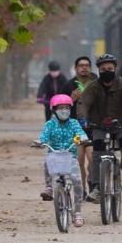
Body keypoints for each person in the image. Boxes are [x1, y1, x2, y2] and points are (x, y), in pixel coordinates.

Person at [78, 54, 122, 198]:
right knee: (97, 149)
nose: (107, 71)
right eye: (103, 69)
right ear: (99, 70)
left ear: (115, 69)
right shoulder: (93, 86)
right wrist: (83, 119)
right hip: (99, 124)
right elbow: (84, 103)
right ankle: (96, 186)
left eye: (110, 68)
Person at [35, 94, 86, 227]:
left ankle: (77, 212)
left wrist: (82, 138)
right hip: (55, 155)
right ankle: (49, 188)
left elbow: (80, 133)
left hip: (70, 156)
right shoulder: (50, 124)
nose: (64, 111)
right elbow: (44, 136)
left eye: (67, 108)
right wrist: (40, 142)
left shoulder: (74, 123)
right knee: (47, 162)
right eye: (61, 108)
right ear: (54, 110)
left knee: (77, 181)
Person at [61, 56, 97, 195]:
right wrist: (71, 99)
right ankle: (82, 189)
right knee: (79, 160)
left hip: (93, 129)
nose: (84, 67)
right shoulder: (68, 85)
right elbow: (60, 109)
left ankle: (92, 180)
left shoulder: (97, 83)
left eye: (87, 65)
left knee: (93, 158)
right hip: (75, 130)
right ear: (76, 68)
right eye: (81, 65)